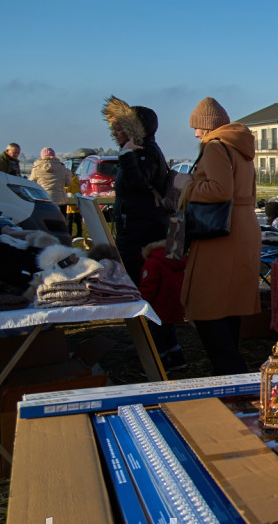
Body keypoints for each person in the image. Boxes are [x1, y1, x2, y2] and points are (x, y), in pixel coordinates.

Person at [177, 97, 260, 375]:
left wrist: (185, 187)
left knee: (207, 305)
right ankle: (231, 370)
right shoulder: (241, 147)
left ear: (207, 126)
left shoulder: (215, 146)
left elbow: (219, 190)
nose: (195, 133)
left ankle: (230, 372)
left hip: (221, 234)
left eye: (197, 127)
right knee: (230, 306)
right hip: (243, 228)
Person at [102, 96, 171, 286]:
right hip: (137, 224)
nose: (115, 133)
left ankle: (142, 314)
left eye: (120, 128)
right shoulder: (141, 149)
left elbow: (138, 182)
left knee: (135, 274)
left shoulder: (144, 150)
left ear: (134, 128)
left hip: (141, 227)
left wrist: (126, 155)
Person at [140, 240, 186, 371]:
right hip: (173, 306)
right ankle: (178, 359)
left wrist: (143, 303)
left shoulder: (152, 262)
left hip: (157, 308)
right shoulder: (178, 261)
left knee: (157, 337)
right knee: (170, 334)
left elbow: (148, 286)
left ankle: (159, 366)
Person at [28, 147, 73, 216]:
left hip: (43, 199)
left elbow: (31, 184)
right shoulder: (63, 168)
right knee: (60, 223)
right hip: (60, 200)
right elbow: (69, 183)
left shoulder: (36, 169)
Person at [65, 172, 83, 238]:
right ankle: (78, 234)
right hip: (74, 205)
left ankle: (70, 234)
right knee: (77, 221)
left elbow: (68, 191)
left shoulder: (72, 183)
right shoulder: (75, 181)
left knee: (70, 221)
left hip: (72, 206)